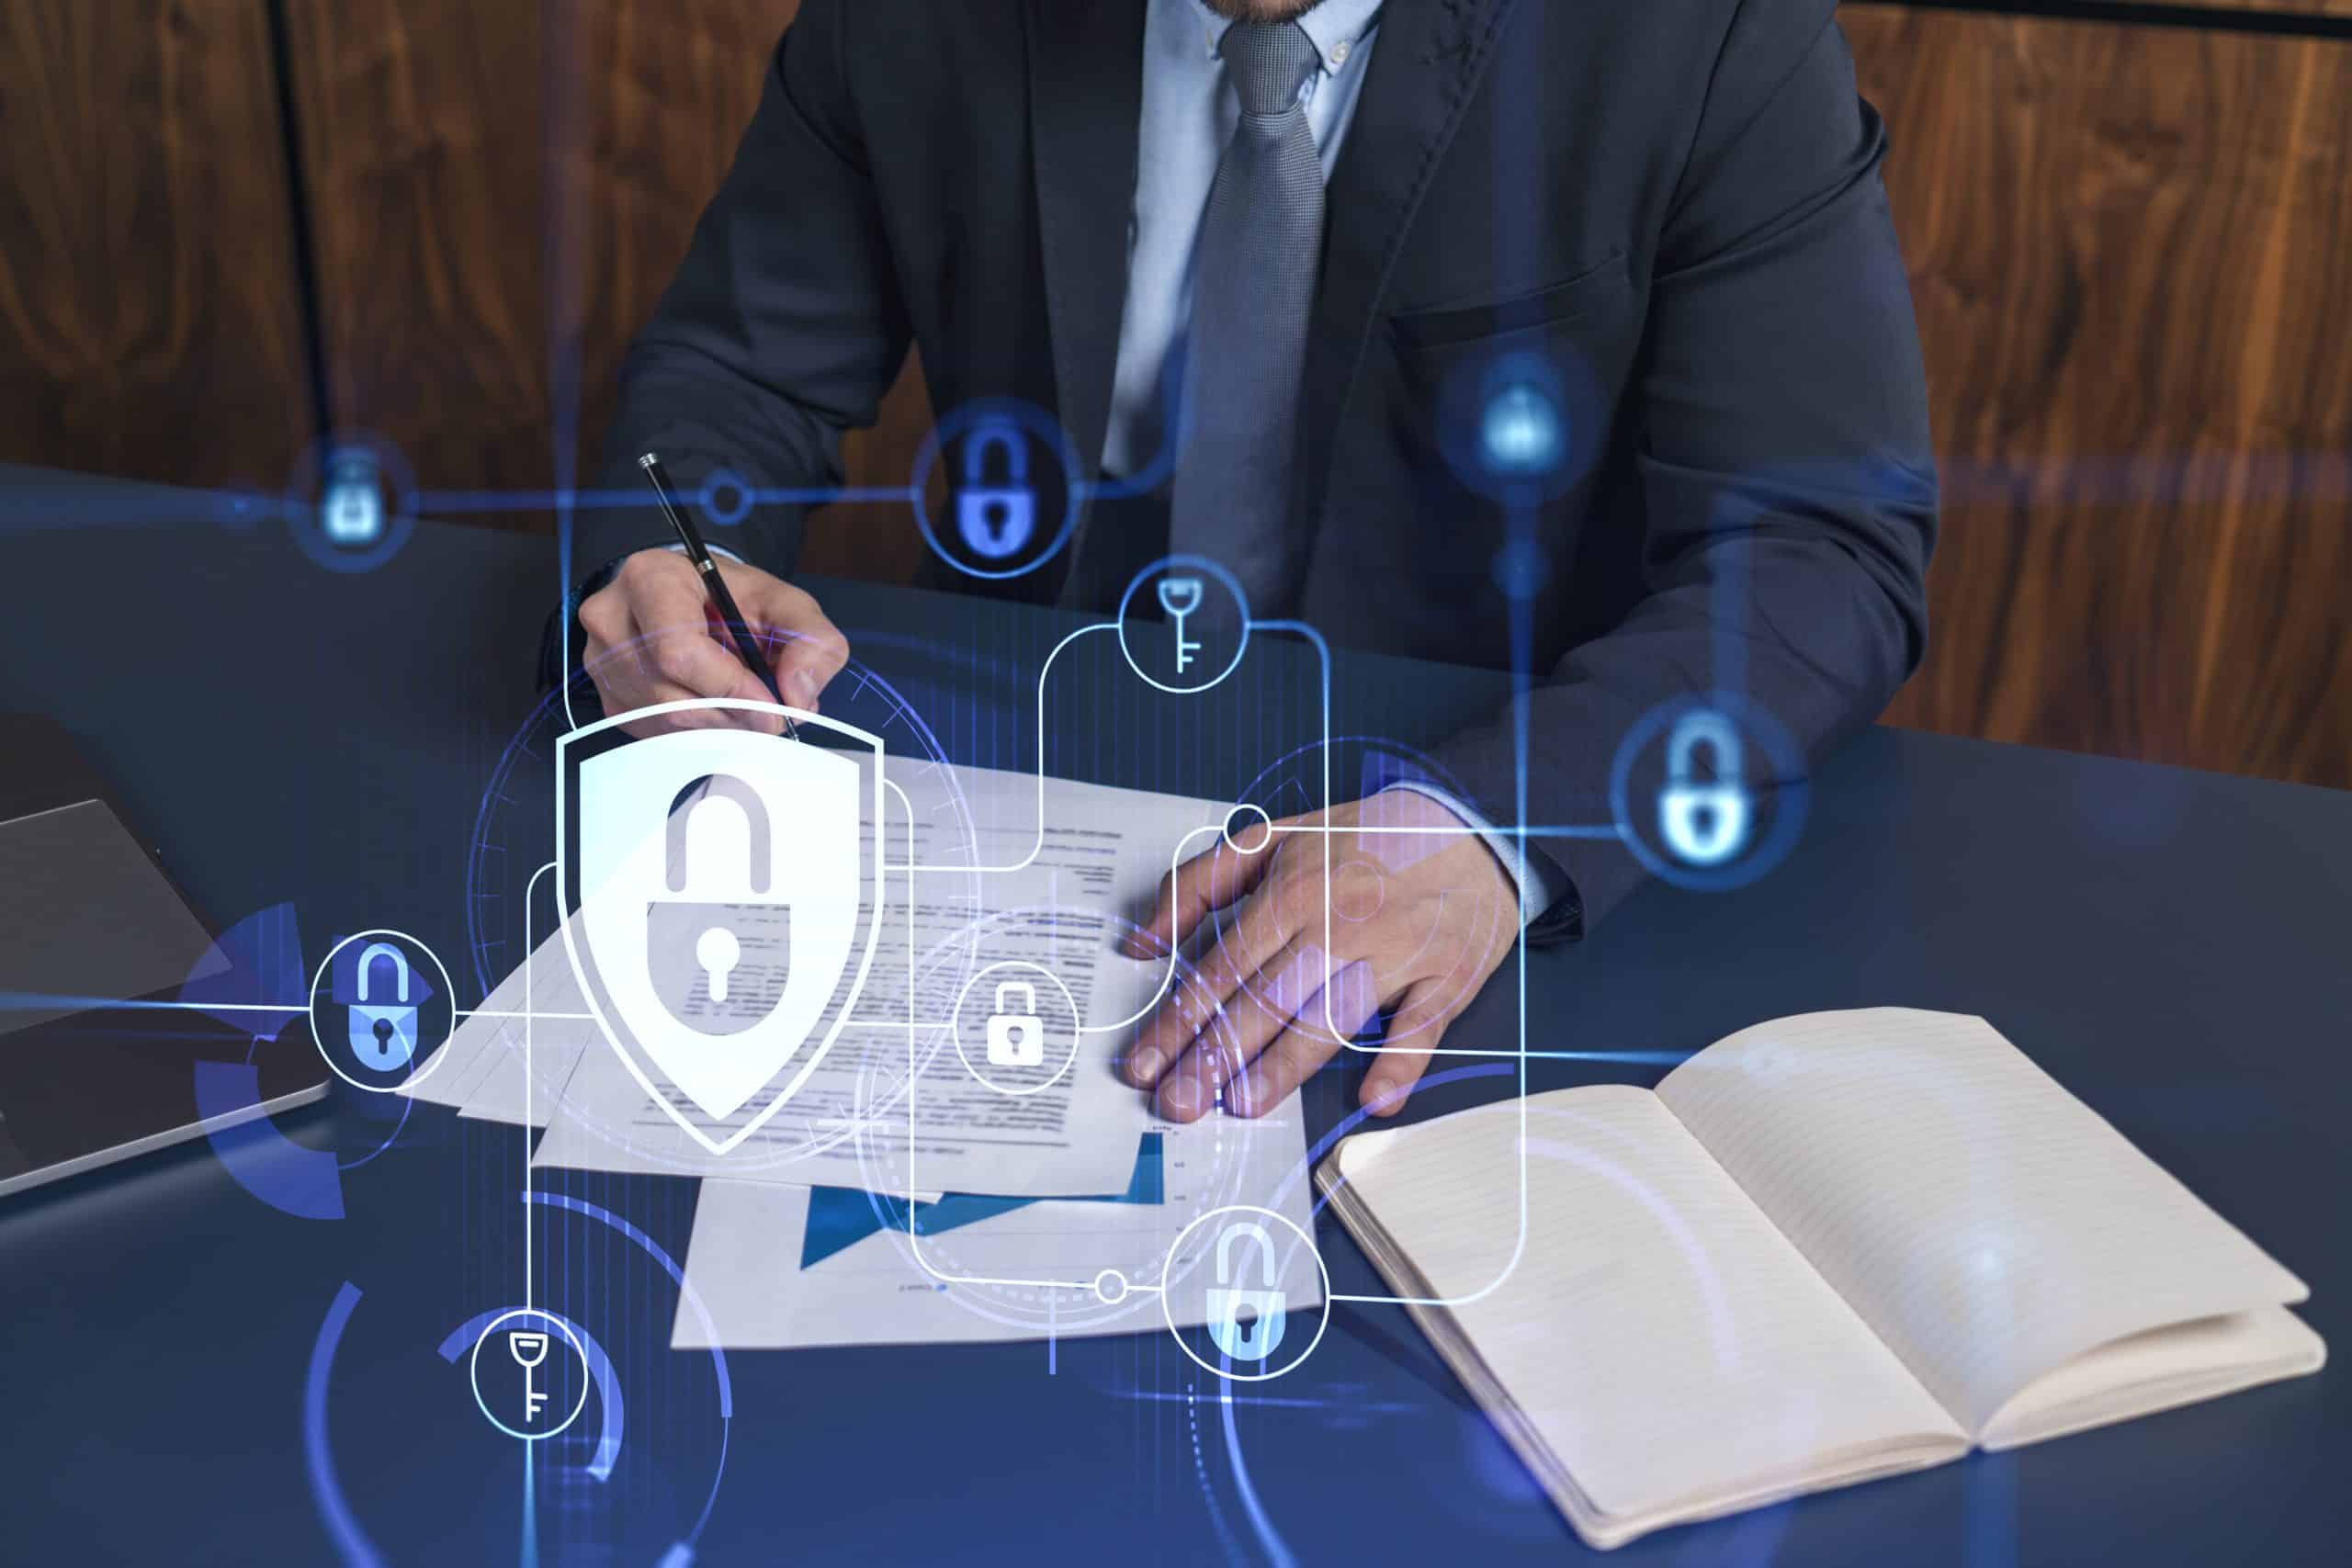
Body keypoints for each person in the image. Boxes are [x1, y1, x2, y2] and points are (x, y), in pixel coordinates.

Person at [568, 0, 1936, 1126]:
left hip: (1473, 825)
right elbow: (736, 371)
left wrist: (1494, 831)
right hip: (1025, 791)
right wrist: (677, 559)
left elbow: (1819, 547)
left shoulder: (1708, 32)